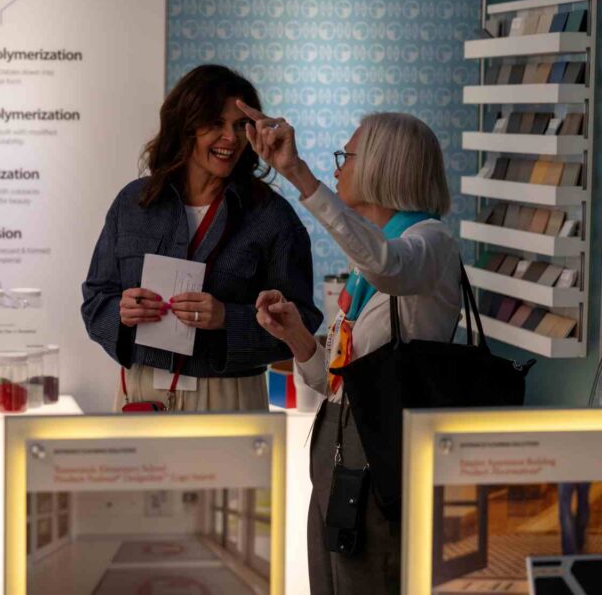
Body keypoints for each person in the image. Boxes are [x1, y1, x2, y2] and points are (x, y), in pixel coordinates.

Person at [245, 106, 460, 594]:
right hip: (337, 448)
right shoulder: (373, 258)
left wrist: (299, 174)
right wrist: (297, 337)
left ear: (387, 164)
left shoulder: (429, 243)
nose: (339, 167)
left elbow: (387, 264)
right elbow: (335, 382)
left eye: (348, 156)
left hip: (380, 456)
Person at [80, 64, 321, 412]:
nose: (231, 138)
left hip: (229, 397)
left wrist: (227, 318)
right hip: (139, 393)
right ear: (186, 126)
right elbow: (94, 299)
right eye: (215, 124)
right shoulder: (133, 203)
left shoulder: (273, 217)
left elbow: (302, 322)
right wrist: (121, 312)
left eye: (240, 126)